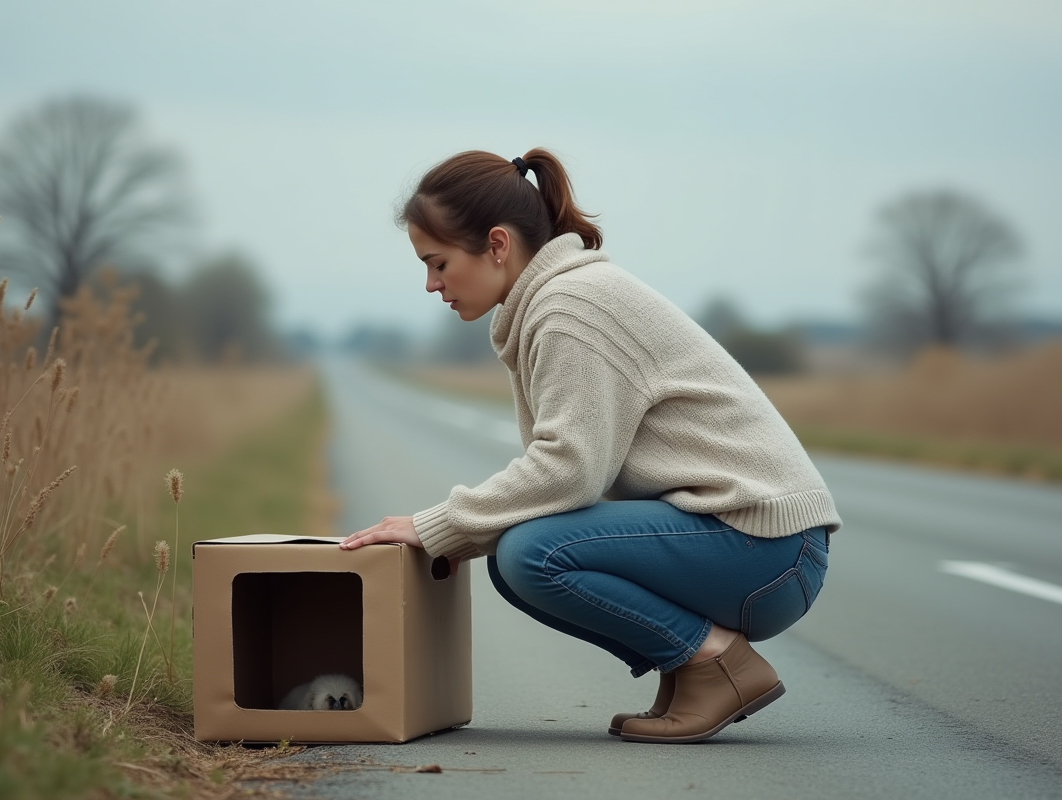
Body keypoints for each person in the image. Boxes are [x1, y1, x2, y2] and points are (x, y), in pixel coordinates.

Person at [339, 148, 841, 744]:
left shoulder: (570, 309)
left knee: (530, 553)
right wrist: (457, 535)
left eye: (438, 262)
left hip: (769, 551)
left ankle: (714, 663)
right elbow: (569, 479)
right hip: (758, 547)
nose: (431, 284)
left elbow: (569, 471)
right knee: (515, 553)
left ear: (497, 245)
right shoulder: (557, 300)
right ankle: (692, 670)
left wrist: (436, 526)